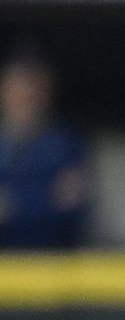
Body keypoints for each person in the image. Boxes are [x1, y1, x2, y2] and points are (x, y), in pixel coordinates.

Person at [0, 45, 90, 251]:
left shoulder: (66, 142)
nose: (26, 97)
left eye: (33, 88)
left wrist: (15, 204)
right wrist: (46, 197)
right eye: (17, 88)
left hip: (54, 262)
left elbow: (72, 204)